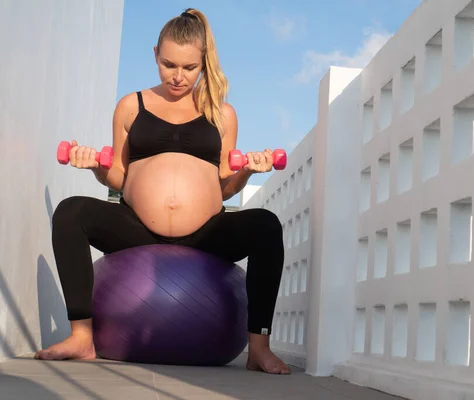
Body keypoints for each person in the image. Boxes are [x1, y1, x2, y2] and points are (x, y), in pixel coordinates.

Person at [34, 8, 291, 375]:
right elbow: (119, 177)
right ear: (155, 53)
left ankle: (259, 348)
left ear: (203, 61)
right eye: (169, 64)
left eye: (189, 67)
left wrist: (247, 170)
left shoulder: (222, 113)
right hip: (138, 229)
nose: (178, 76)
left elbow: (224, 187)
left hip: (206, 232)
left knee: (266, 225)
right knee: (71, 211)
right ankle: (81, 336)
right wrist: (95, 166)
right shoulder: (130, 106)